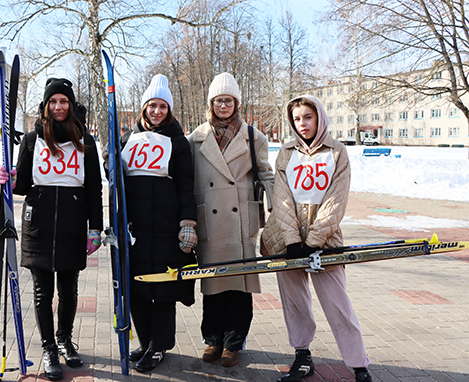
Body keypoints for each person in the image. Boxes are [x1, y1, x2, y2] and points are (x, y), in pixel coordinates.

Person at [0, 78, 103, 381]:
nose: (58, 107)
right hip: (39, 225)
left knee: (68, 292)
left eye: (64, 101)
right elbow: (22, 186)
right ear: (45, 105)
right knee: (43, 292)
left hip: (72, 223)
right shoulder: (32, 139)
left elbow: (94, 187)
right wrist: (9, 176)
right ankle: (48, 349)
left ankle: (64, 339)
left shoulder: (86, 141)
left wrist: (95, 227)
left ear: (71, 105)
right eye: (53, 101)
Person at [261, 95, 372, 382]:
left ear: (319, 117)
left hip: (325, 243)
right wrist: (292, 240)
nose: (302, 124)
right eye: (297, 119)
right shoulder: (286, 152)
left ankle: (359, 365)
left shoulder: (337, 152)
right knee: (294, 303)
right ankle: (302, 355)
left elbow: (336, 200)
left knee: (338, 305)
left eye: (307, 117)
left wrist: (313, 240)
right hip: (288, 243)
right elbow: (282, 199)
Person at [188, 72, 274, 368]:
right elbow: (186, 180)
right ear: (210, 103)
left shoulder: (253, 137)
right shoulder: (195, 138)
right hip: (210, 220)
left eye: (229, 100)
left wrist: (276, 209)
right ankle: (212, 340)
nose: (223, 105)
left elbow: (266, 174)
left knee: (239, 288)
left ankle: (233, 344)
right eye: (218, 100)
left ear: (237, 103)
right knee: (214, 286)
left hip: (240, 221)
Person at [121, 74, 197, 373]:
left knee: (164, 286)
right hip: (136, 227)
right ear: (143, 108)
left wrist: (188, 221)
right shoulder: (128, 139)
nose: (156, 111)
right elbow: (118, 179)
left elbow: (185, 183)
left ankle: (159, 345)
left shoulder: (178, 142)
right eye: (152, 105)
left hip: (166, 224)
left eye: (162, 106)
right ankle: (146, 340)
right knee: (138, 286)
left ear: (169, 110)